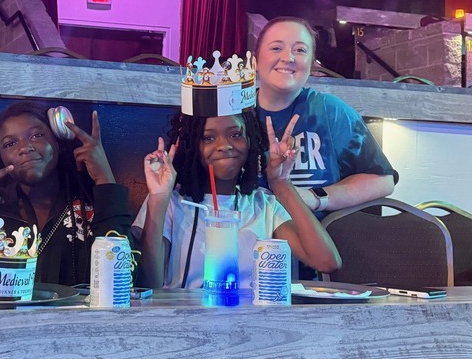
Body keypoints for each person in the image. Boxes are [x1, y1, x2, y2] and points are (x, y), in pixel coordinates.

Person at [134, 106, 341, 289]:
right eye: (209, 138)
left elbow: (327, 262)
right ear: (193, 146)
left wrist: (281, 184)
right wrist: (159, 198)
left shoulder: (264, 204)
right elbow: (149, 283)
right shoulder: (170, 201)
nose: (224, 145)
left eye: (235, 135)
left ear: (251, 141)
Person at [0, 101, 132, 286]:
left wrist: (105, 180)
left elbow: (126, 279)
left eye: (36, 135)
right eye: (10, 144)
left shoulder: (94, 205)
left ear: (57, 141)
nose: (24, 148)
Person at [254, 16, 398, 217]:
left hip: (318, 241)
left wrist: (315, 198)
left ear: (312, 65)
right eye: (276, 48)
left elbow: (382, 180)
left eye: (300, 50)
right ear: (255, 61)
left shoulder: (329, 110)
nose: (288, 57)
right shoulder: (235, 115)